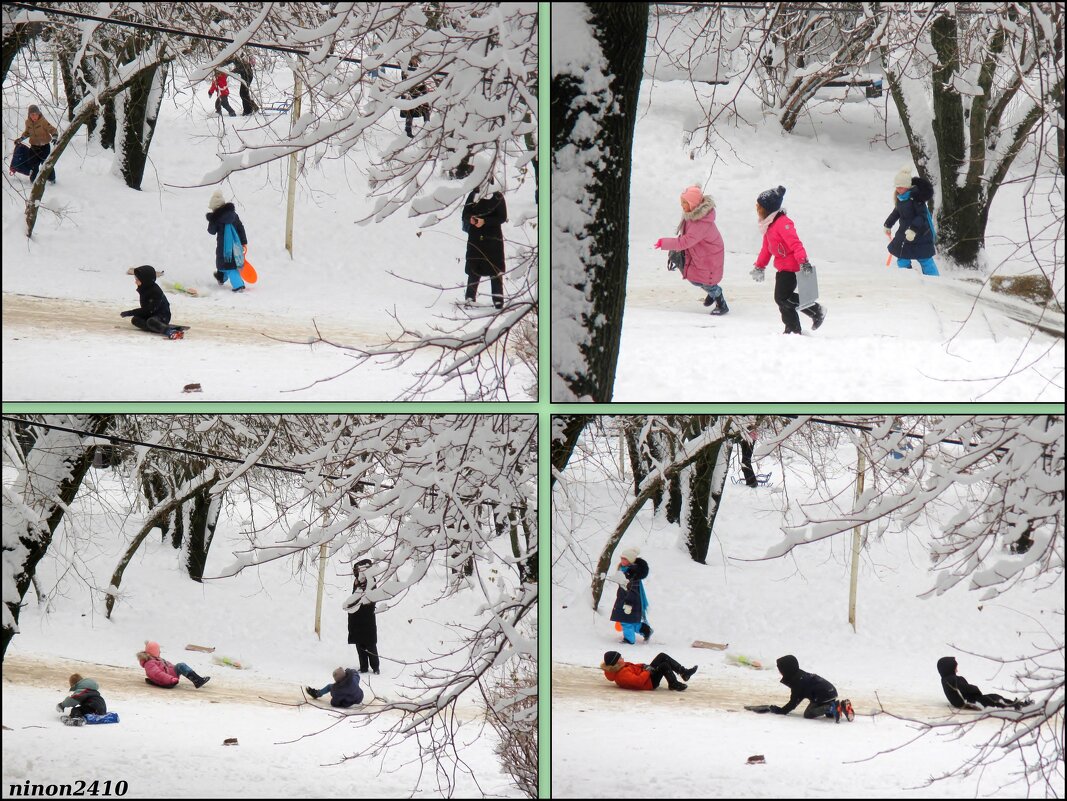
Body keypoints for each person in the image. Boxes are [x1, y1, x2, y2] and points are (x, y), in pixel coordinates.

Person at [751, 185, 826, 334]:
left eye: (759, 207)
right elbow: (766, 249)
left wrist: (804, 262)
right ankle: (792, 329)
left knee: (782, 298)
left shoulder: (783, 223)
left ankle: (816, 310)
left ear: (768, 209)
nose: (757, 210)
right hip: (782, 267)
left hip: (792, 267)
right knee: (782, 300)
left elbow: (795, 243)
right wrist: (759, 266)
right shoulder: (769, 226)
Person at [653, 184, 729, 315]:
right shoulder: (693, 215)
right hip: (702, 252)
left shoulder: (700, 223)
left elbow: (686, 241)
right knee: (697, 278)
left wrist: (665, 243)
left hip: (709, 256)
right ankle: (712, 292)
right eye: (681, 202)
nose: (682, 205)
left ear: (693, 203)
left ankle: (721, 302)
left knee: (703, 280)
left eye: (684, 203)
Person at [462, 179, 507, 309]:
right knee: (473, 269)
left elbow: (502, 217)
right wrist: (471, 219)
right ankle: (470, 298)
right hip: (475, 238)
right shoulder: (474, 194)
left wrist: (485, 221)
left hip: (493, 239)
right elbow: (465, 213)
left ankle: (498, 301)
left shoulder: (497, 196)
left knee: (495, 270)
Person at [885, 166, 939, 276]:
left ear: (908, 186)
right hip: (905, 234)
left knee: (925, 259)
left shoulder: (916, 199)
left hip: (920, 235)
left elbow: (921, 216)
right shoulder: (901, 198)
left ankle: (934, 279)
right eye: (897, 187)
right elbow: (896, 212)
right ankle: (907, 277)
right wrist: (888, 224)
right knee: (902, 257)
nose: (898, 189)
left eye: (901, 187)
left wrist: (913, 230)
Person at [764, 654, 853, 721]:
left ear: (787, 670)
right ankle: (842, 706)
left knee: (809, 713)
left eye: (781, 670)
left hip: (823, 695)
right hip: (830, 692)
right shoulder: (800, 675)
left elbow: (793, 703)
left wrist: (780, 711)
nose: (780, 673)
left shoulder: (797, 682)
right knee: (829, 714)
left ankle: (832, 707)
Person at [936, 656, 1031, 711]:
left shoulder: (948, 679)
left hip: (969, 700)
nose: (957, 668)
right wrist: (975, 689)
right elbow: (965, 688)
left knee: (994, 697)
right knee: (994, 699)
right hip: (970, 701)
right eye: (955, 666)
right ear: (949, 667)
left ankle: (1015, 704)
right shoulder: (951, 680)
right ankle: (1016, 706)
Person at [206, 189, 248, 292]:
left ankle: (238, 285)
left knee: (229, 266)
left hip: (223, 247)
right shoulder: (234, 215)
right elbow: (240, 227)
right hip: (235, 246)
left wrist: (212, 220)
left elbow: (211, 231)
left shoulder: (216, 219)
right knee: (227, 263)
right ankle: (221, 277)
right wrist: (243, 241)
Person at [120, 265, 180, 338]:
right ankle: (155, 327)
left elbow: (149, 310)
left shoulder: (155, 291)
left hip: (162, 316)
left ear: (145, 280)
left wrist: (131, 312)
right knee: (135, 320)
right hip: (151, 314)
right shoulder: (145, 287)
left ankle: (169, 331)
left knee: (150, 321)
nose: (135, 281)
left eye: (137, 278)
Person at [609, 547, 651, 645]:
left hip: (630, 601)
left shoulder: (632, 573)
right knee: (631, 621)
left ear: (630, 560)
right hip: (623, 599)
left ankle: (629, 640)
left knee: (625, 621)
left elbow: (633, 591)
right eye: (622, 558)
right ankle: (645, 630)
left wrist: (628, 603)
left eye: (625, 559)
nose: (622, 561)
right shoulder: (624, 570)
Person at [600, 650, 696, 692]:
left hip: (646, 675)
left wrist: (643, 666)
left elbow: (634, 666)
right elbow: (638, 682)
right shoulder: (622, 674)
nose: (622, 658)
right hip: (649, 683)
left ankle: (684, 672)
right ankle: (673, 683)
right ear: (616, 662)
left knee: (662, 656)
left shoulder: (620, 667)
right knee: (664, 665)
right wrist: (647, 671)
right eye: (620, 657)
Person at [347, 559, 380, 675]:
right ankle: (364, 666)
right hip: (356, 618)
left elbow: (372, 599)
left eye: (357, 570)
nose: (355, 572)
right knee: (359, 642)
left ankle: (375, 667)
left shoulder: (371, 582)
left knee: (370, 643)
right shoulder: (356, 582)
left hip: (367, 618)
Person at [136, 640, 211, 689]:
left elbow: (168, 665)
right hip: (168, 679)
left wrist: (175, 667)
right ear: (154, 651)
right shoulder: (150, 663)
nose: (160, 652)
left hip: (171, 675)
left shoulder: (157, 659)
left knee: (180, 665)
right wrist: (170, 679)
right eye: (158, 650)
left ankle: (197, 679)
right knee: (181, 665)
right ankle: (198, 681)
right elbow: (157, 674)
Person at [15, 104, 57, 183]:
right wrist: (20, 139)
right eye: (32, 115)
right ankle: (33, 180)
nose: (34, 116)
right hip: (34, 147)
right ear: (29, 115)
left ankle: (52, 179)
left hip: (44, 147)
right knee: (33, 164)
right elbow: (27, 133)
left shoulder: (43, 121)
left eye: (35, 114)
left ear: (38, 114)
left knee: (46, 163)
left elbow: (53, 130)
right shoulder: (28, 122)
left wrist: (55, 137)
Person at [400, 56, 436, 137]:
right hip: (409, 92)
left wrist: (423, 91)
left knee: (426, 109)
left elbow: (422, 78)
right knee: (409, 111)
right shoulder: (406, 68)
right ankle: (408, 130)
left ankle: (427, 129)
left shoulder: (419, 67)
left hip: (420, 90)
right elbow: (404, 81)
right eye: (414, 59)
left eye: (416, 59)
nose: (415, 61)